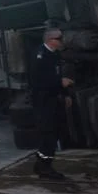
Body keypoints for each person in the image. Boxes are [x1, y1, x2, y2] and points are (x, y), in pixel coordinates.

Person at [29, 27, 73, 180]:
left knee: (54, 133)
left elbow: (58, 74)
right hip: (44, 101)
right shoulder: (40, 56)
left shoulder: (54, 55)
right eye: (58, 39)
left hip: (54, 99)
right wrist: (59, 82)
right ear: (49, 40)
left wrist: (65, 94)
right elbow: (37, 81)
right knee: (48, 134)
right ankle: (44, 166)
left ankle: (43, 164)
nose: (61, 41)